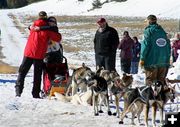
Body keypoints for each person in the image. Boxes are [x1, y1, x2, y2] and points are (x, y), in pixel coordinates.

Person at [15, 11, 62, 98]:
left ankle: (18, 92)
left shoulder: (33, 26)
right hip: (38, 55)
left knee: (22, 73)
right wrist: (52, 29)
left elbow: (31, 28)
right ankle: (35, 94)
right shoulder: (48, 30)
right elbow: (58, 38)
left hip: (28, 53)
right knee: (37, 75)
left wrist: (35, 27)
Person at [139, 14, 171, 86]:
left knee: (150, 84)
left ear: (149, 21)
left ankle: (151, 97)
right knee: (161, 84)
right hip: (163, 62)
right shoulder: (162, 31)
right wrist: (167, 59)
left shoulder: (148, 31)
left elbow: (145, 46)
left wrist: (142, 59)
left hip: (151, 62)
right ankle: (161, 97)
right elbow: (168, 46)